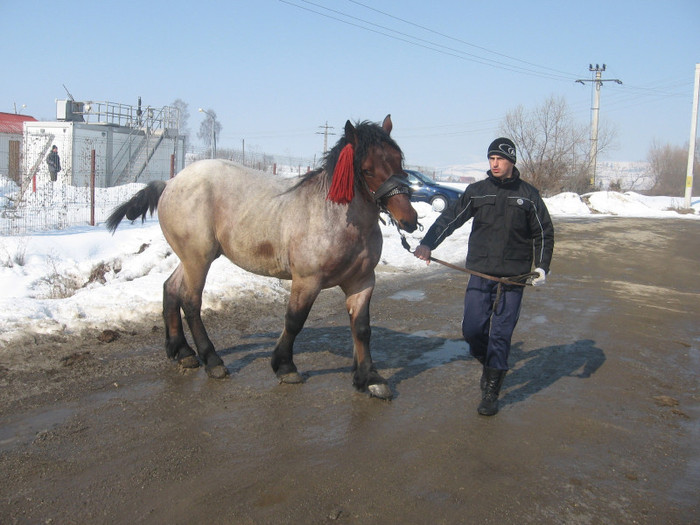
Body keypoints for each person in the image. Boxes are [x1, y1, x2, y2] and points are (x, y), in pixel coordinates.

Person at [414, 138, 554, 416]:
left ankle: (491, 390)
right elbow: (450, 219)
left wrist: (542, 267)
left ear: (511, 161)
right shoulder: (477, 192)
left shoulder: (528, 195)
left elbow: (544, 233)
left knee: (501, 334)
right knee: (473, 329)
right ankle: (488, 359)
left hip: (514, 278)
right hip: (480, 271)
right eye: (491, 158)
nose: (494, 163)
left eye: (499, 159)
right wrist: (429, 243)